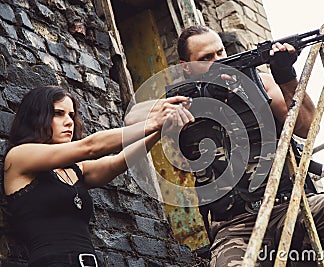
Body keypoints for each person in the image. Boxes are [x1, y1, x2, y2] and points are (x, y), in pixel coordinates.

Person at [175, 25, 324, 266]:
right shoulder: (183, 105)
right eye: (206, 58)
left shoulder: (261, 83)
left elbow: (306, 127)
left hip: (288, 205)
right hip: (235, 225)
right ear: (186, 67)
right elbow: (134, 120)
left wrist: (285, 75)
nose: (219, 61)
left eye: (220, 52)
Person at [2, 86, 194, 267]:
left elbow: (117, 162)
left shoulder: (76, 170)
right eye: (58, 113)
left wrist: (160, 130)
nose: (69, 121)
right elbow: (90, 147)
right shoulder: (19, 157)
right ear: (37, 117)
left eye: (71, 115)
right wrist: (151, 122)